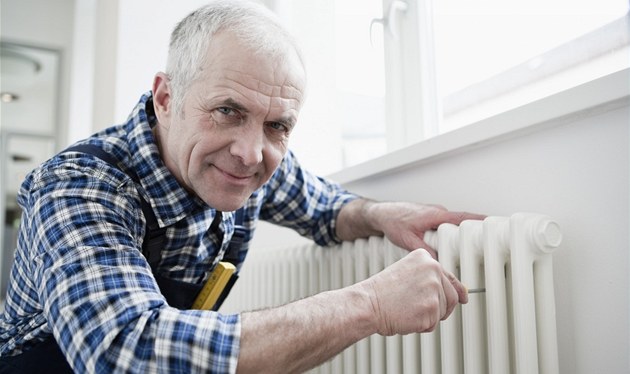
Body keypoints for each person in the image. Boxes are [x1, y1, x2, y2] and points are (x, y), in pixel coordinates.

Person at [0, 1, 484, 373]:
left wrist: (384, 214)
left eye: (277, 125)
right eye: (227, 111)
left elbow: (325, 209)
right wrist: (369, 304)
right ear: (166, 98)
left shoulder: (248, 164)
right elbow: (125, 351)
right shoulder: (78, 187)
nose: (251, 153)